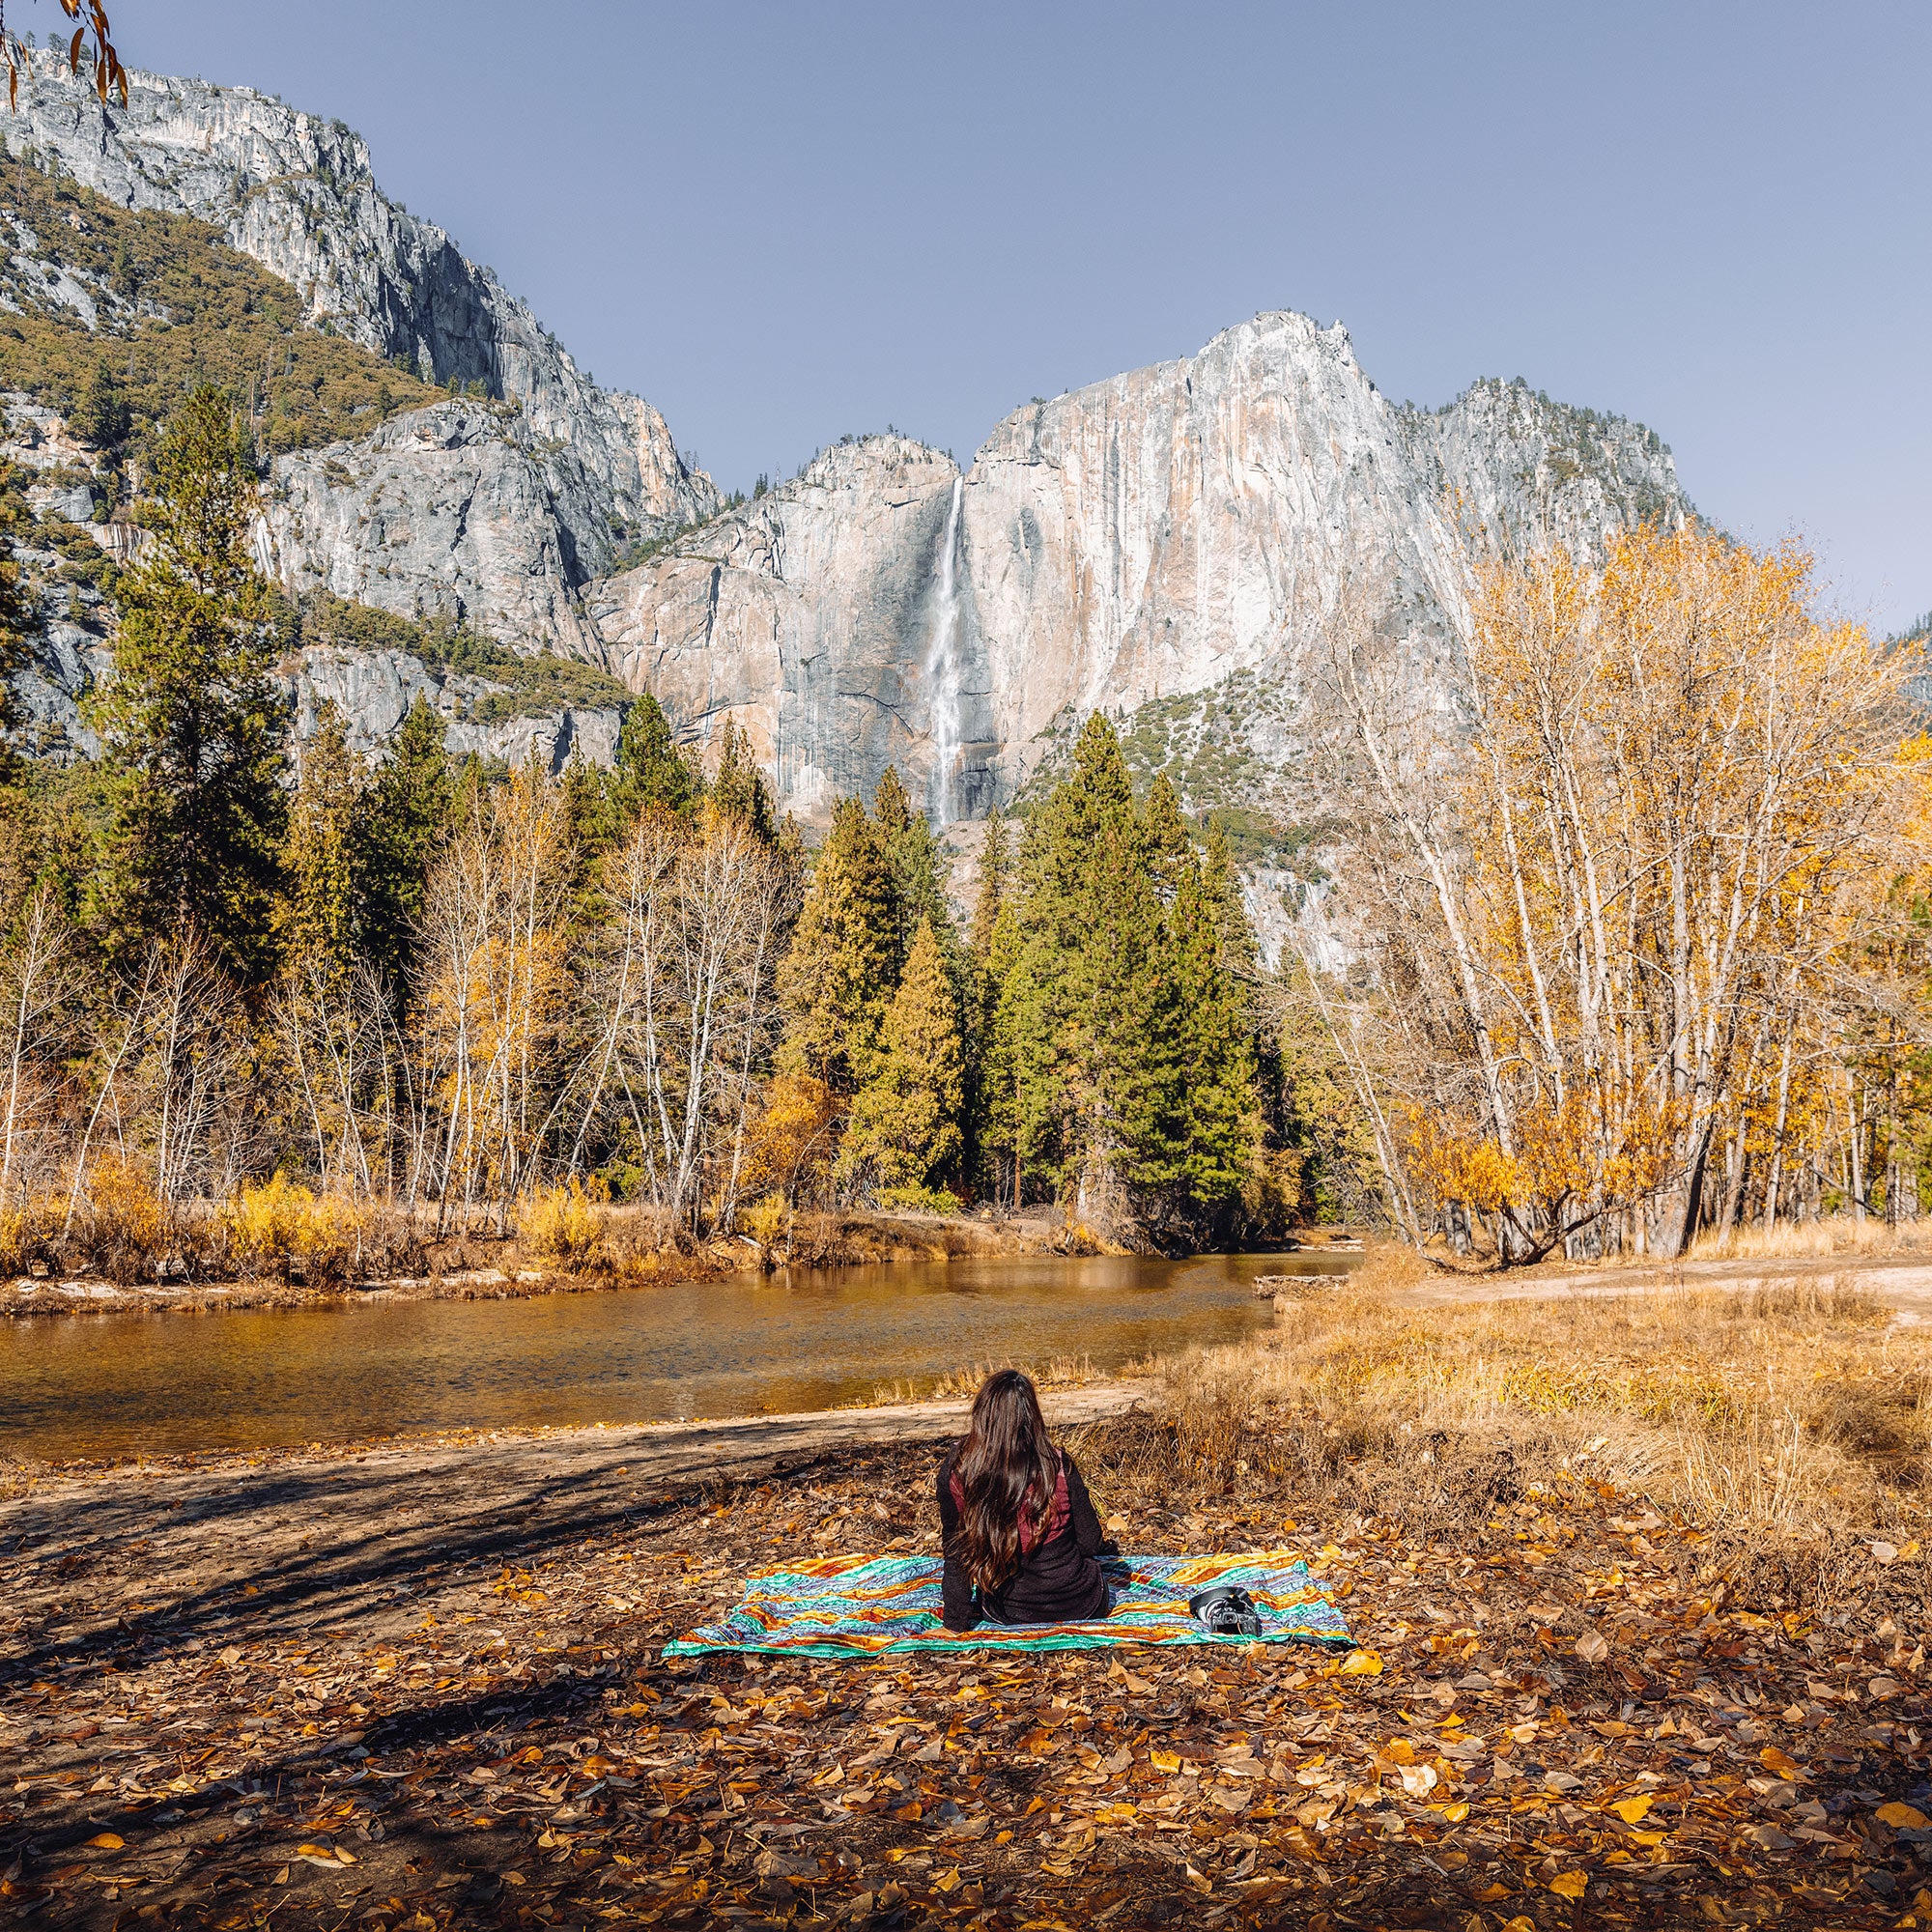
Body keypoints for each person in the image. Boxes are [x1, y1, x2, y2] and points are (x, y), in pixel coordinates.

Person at [938, 1369, 1115, 1631]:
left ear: (982, 1415)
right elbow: (1090, 1544)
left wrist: (955, 1625)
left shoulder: (960, 1470)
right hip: (1081, 1603)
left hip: (1010, 1612)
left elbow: (957, 1556)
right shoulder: (1057, 1464)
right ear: (1032, 1417)